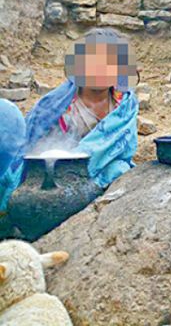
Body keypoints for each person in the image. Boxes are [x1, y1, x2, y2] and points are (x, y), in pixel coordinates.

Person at [0, 28, 139, 209]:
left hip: (101, 173)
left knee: (120, 170)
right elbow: (33, 148)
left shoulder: (125, 106)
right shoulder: (55, 107)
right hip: (54, 175)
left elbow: (125, 151)